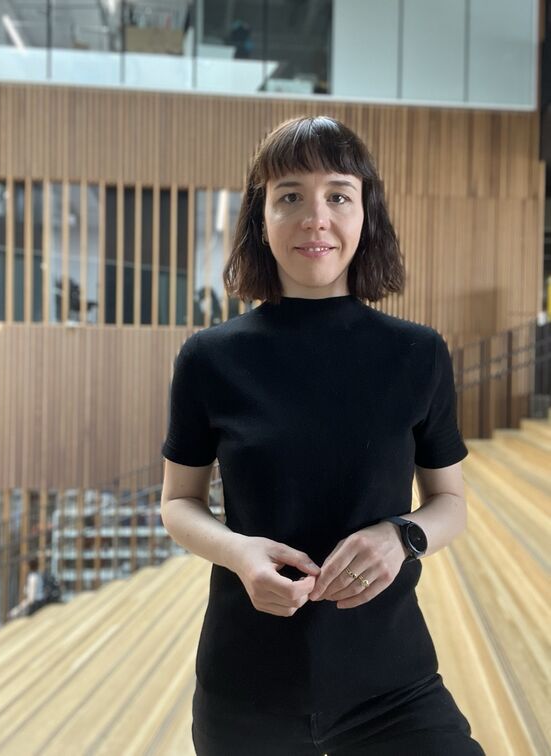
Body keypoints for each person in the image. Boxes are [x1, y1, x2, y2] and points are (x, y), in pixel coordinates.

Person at [161, 116, 485, 755]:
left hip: (392, 683)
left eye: (338, 195)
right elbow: (178, 503)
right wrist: (239, 553)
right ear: (261, 220)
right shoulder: (209, 358)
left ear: (366, 215)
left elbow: (451, 503)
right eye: (290, 196)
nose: (316, 218)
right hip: (246, 687)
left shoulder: (418, 354)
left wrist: (402, 536)